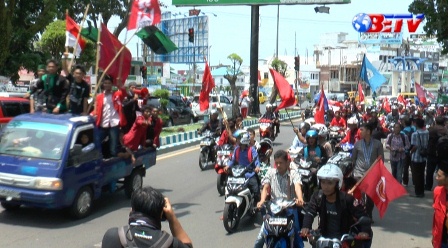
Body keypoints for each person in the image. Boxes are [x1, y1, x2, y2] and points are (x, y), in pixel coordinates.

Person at [300, 164, 372, 248]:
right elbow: (310, 212)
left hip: (345, 241)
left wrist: (364, 231)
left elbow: (363, 216)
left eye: (330, 183)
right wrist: (306, 227)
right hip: (323, 240)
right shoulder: (317, 196)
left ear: (338, 184)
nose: (326, 187)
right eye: (323, 182)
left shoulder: (347, 199)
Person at [101, 186, 193, 248]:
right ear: (162, 214)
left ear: (132, 211)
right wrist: (171, 217)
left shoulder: (113, 236)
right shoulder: (169, 243)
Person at [254, 150, 304, 248]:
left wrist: (300, 199)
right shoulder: (271, 172)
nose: (278, 165)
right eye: (276, 163)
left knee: (298, 239)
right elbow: (265, 187)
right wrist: (262, 200)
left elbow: (297, 186)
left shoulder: (293, 174)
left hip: (289, 210)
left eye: (281, 163)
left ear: (287, 162)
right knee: (260, 239)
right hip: (273, 210)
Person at [352, 122, 384, 219]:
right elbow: (354, 159)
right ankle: (361, 214)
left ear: (369, 132)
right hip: (359, 173)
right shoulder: (357, 144)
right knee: (360, 195)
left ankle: (368, 213)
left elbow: (381, 159)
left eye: (363, 130)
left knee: (370, 197)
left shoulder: (378, 144)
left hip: (372, 174)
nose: (360, 132)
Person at [93, 75, 127, 158]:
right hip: (102, 124)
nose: (107, 85)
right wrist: (91, 115)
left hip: (114, 124)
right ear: (103, 84)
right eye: (105, 83)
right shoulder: (99, 97)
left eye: (109, 83)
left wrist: (120, 85)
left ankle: (113, 164)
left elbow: (124, 93)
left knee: (113, 148)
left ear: (112, 85)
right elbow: (96, 110)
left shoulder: (116, 95)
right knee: (96, 142)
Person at [224, 131, 260, 203]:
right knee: (228, 186)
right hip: (238, 174)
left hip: (249, 173)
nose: (236, 140)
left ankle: (256, 206)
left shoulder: (251, 149)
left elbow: (256, 159)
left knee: (255, 189)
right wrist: (227, 166)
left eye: (238, 138)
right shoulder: (237, 149)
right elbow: (232, 160)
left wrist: (257, 167)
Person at [426, 116, 448, 191]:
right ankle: (443, 185)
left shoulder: (432, 129)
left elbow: (427, 140)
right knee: (443, 171)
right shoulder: (446, 130)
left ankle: (428, 186)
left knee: (430, 171)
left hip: (432, 153)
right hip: (443, 154)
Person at [410, 118, 429, 198]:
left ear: (416, 124)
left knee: (416, 175)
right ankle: (421, 191)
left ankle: (418, 192)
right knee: (421, 174)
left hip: (416, 157)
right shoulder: (427, 132)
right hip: (424, 157)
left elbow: (414, 146)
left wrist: (411, 152)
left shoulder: (415, 134)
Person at [432, 163, 448, 248]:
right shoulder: (437, 191)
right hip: (441, 240)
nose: (436, 178)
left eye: (439, 176)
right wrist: (434, 235)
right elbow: (435, 217)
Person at [401, 117, 416, 187]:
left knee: (405, 167)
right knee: (413, 167)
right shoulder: (414, 129)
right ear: (411, 123)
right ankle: (415, 181)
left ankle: (405, 181)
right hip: (413, 150)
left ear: (404, 123)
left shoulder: (402, 132)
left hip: (405, 152)